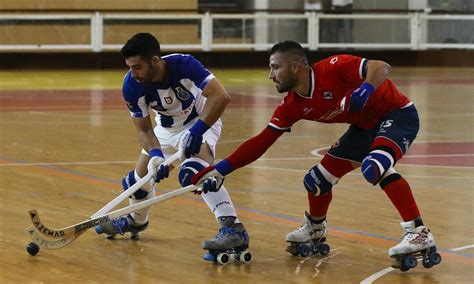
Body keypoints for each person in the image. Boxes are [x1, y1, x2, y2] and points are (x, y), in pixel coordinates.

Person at [192, 40, 440, 266]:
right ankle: (315, 227)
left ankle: (418, 233)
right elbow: (262, 141)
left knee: (375, 166)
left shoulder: (334, 67)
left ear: (296, 67)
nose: (270, 75)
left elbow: (381, 66)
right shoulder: (292, 104)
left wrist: (365, 88)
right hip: (364, 129)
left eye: (275, 67)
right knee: (317, 180)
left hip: (397, 115)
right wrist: (220, 170)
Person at [95, 33, 249, 261]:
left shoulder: (184, 64)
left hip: (202, 121)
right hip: (165, 131)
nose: (133, 73)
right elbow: (144, 130)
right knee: (137, 183)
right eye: (130, 67)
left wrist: (197, 131)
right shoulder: (131, 85)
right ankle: (135, 222)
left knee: (194, 173)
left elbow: (220, 96)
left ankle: (233, 228)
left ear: (155, 61)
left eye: (137, 67)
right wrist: (156, 155)